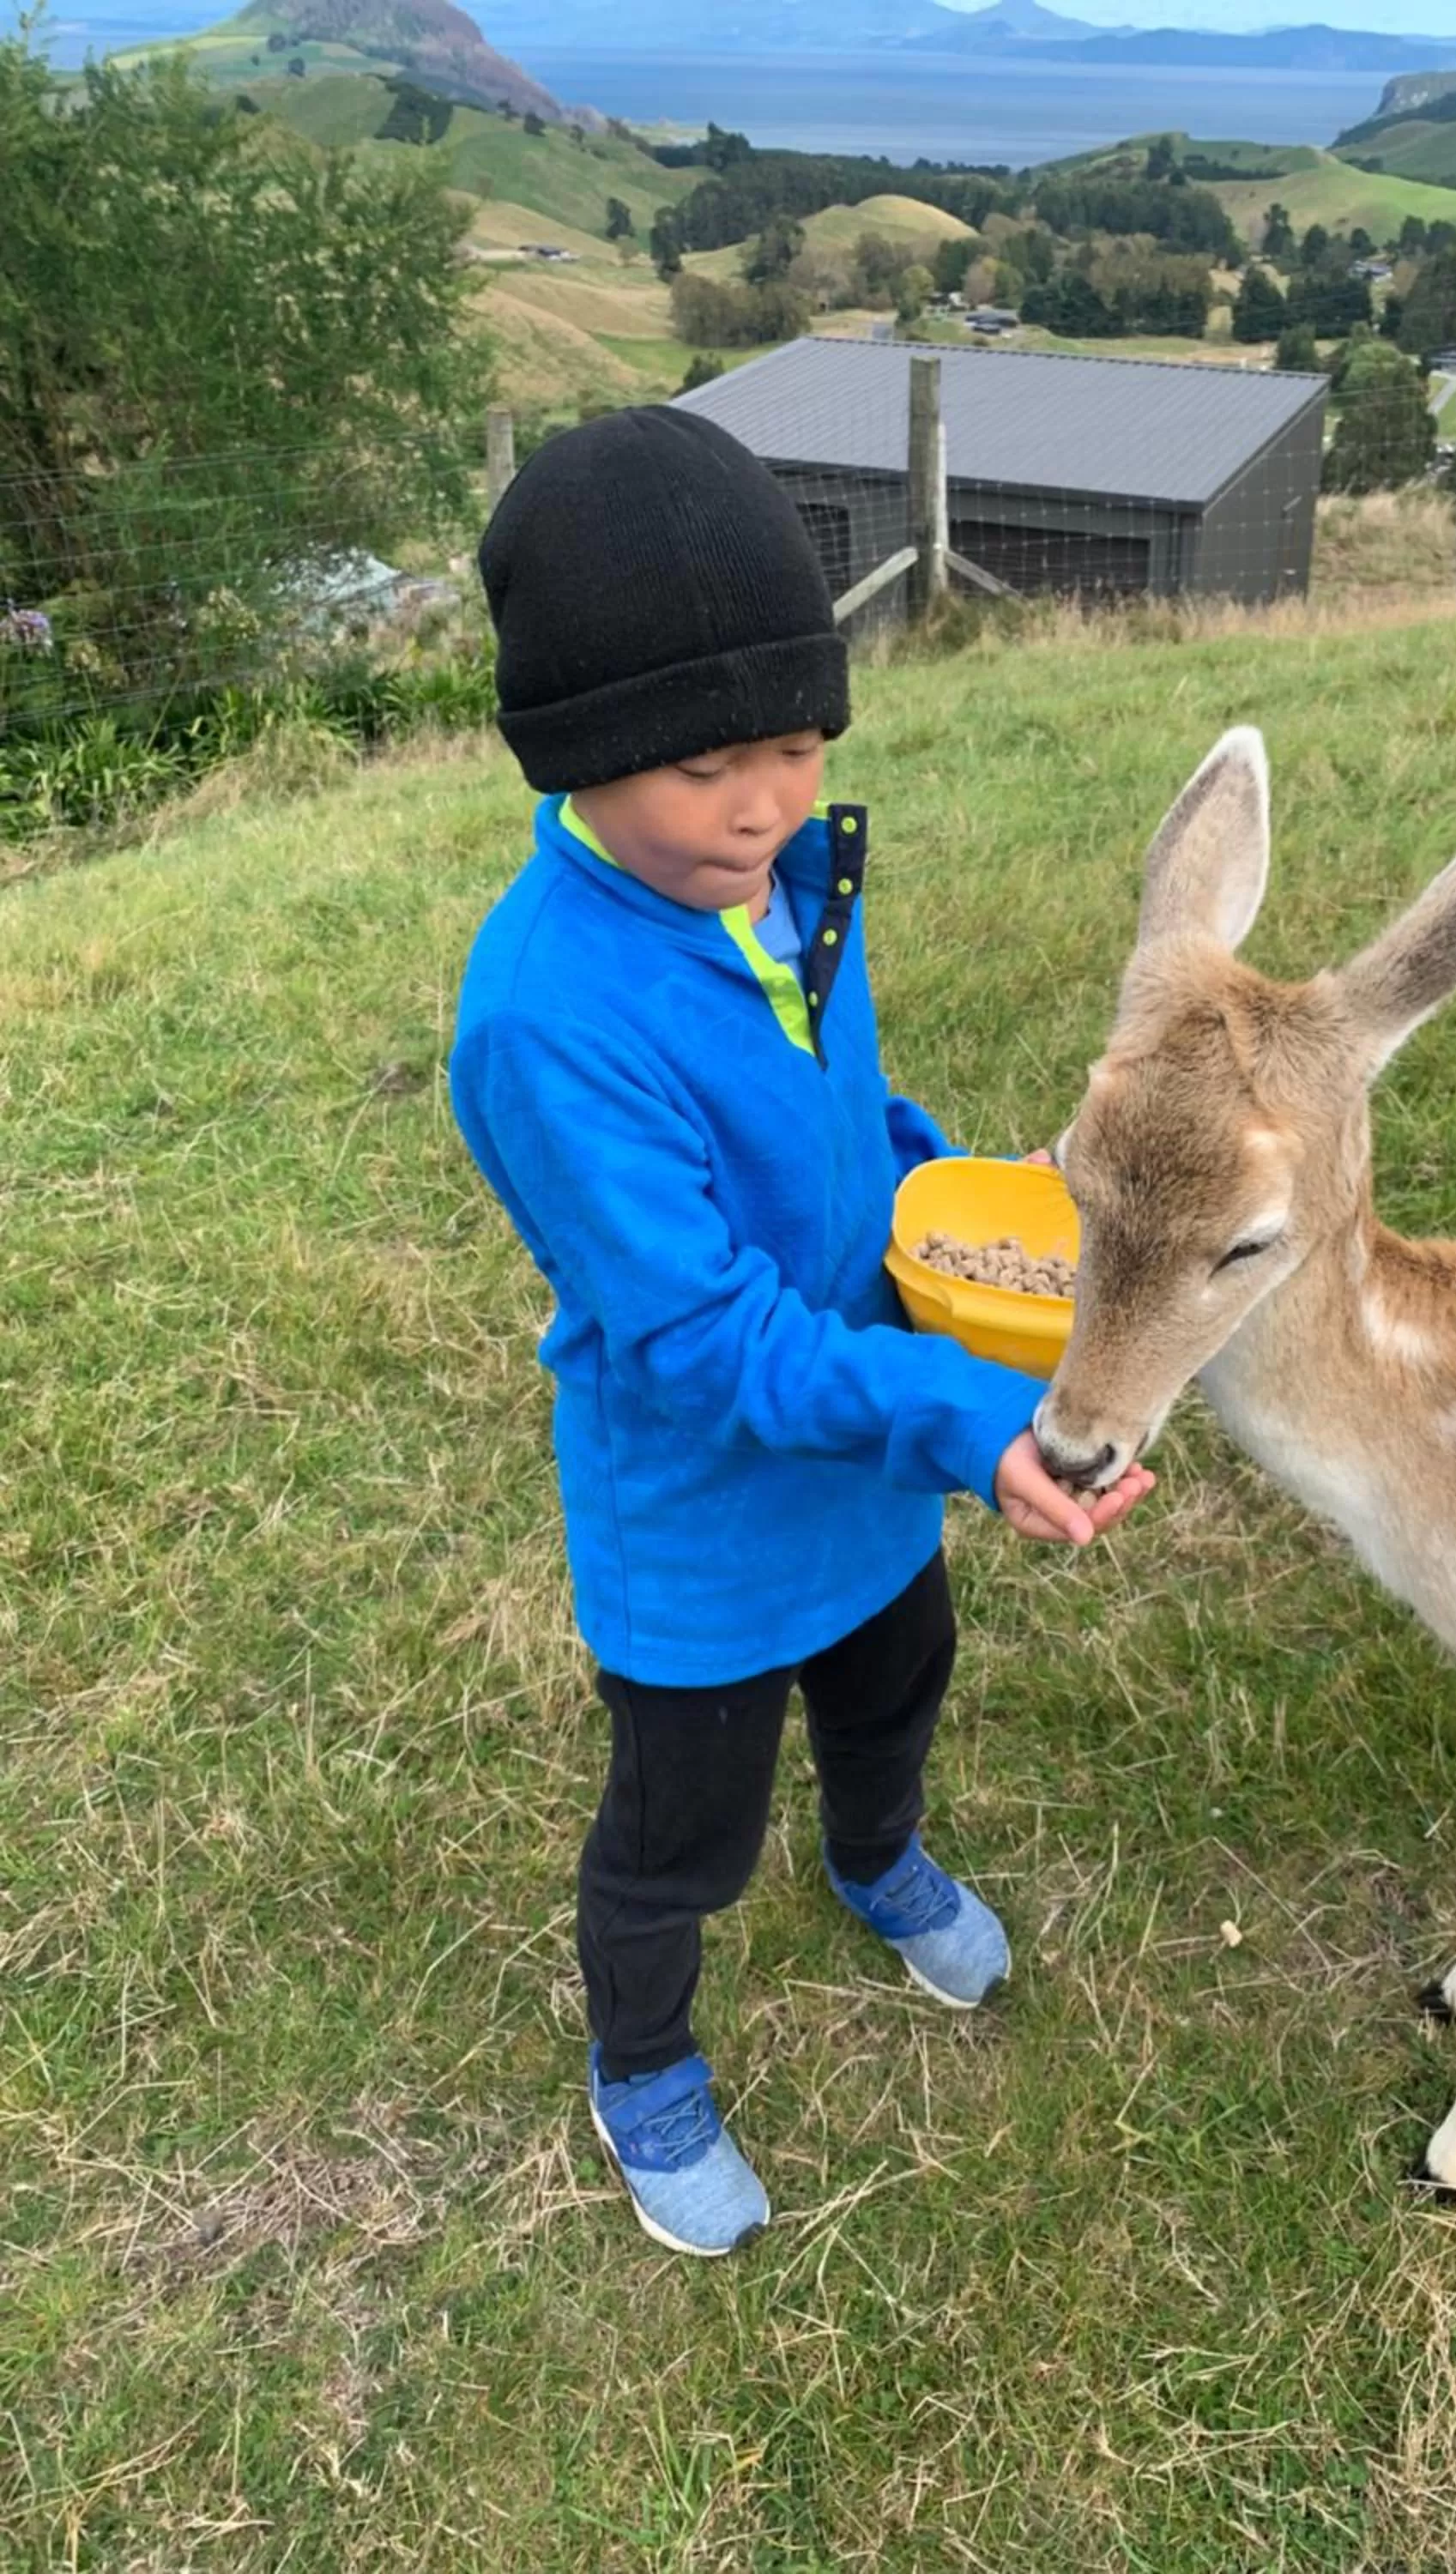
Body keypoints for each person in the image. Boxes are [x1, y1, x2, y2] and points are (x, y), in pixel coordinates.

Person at [450, 407, 1152, 2257]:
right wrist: (960, 1410)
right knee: (680, 1828)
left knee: (894, 1681)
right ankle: (644, 2066)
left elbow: (844, 1111)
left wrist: (942, 1193)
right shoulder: (546, 1020)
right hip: (703, 1516)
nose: (761, 805)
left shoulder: (778, 883)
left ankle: (879, 1862)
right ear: (584, 757)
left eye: (794, 743)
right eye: (704, 768)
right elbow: (699, 1340)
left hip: (870, 1465)